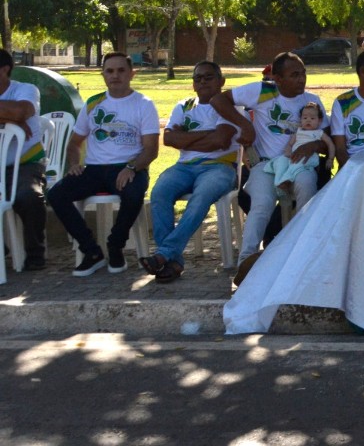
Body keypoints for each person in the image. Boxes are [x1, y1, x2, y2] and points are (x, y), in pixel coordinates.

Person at [209, 51, 327, 269]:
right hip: (265, 164)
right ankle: (246, 262)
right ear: (278, 78)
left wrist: (314, 145)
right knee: (262, 203)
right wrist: (244, 124)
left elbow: (327, 140)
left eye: (303, 73)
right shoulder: (261, 91)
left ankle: (302, 255)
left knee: (307, 190)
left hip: (299, 164)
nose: (301, 79)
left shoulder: (312, 101)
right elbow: (218, 100)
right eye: (294, 75)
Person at [46, 52, 159, 277]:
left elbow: (151, 150)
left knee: (134, 193)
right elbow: (74, 143)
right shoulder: (93, 103)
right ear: (103, 75)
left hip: (129, 166)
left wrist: (131, 168)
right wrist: (74, 164)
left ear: (131, 73)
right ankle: (91, 251)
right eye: (109, 71)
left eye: (121, 70)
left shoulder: (143, 104)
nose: (115, 75)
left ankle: (115, 245)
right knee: (56, 194)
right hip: (94, 169)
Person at [141, 61, 239, 283]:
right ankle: (173, 262)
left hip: (220, 166)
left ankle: (164, 255)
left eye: (209, 77)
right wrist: (207, 135)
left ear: (221, 81)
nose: (202, 81)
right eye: (198, 78)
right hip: (184, 167)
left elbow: (221, 141)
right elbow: (168, 139)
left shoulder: (228, 106)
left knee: (201, 197)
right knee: (159, 193)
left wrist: (185, 139)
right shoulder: (184, 106)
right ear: (193, 85)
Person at [0, 47, 46, 270]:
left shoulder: (26, 89)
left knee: (28, 196)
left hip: (27, 164)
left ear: (5, 69)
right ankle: (2, 249)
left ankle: (35, 253)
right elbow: (15, 114)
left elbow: (21, 111)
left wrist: (16, 118)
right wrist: (9, 119)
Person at [264, 102, 335, 194]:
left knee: (298, 163)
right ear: (300, 119)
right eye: (305, 118)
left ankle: (287, 179)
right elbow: (290, 144)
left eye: (312, 118)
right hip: (294, 156)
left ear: (319, 121)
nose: (308, 120)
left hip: (310, 157)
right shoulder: (298, 131)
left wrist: (330, 159)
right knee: (281, 160)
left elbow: (330, 144)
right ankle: (279, 181)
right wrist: (288, 151)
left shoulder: (319, 133)